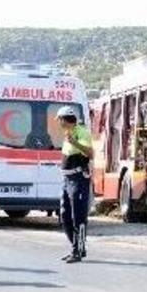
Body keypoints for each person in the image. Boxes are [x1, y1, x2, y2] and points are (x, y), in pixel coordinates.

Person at [57, 105, 93, 262]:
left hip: (78, 179)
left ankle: (78, 250)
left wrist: (75, 143)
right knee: (64, 215)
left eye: (60, 120)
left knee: (78, 216)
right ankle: (76, 247)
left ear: (66, 120)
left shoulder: (81, 132)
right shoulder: (68, 133)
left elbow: (90, 153)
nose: (59, 123)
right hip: (67, 180)